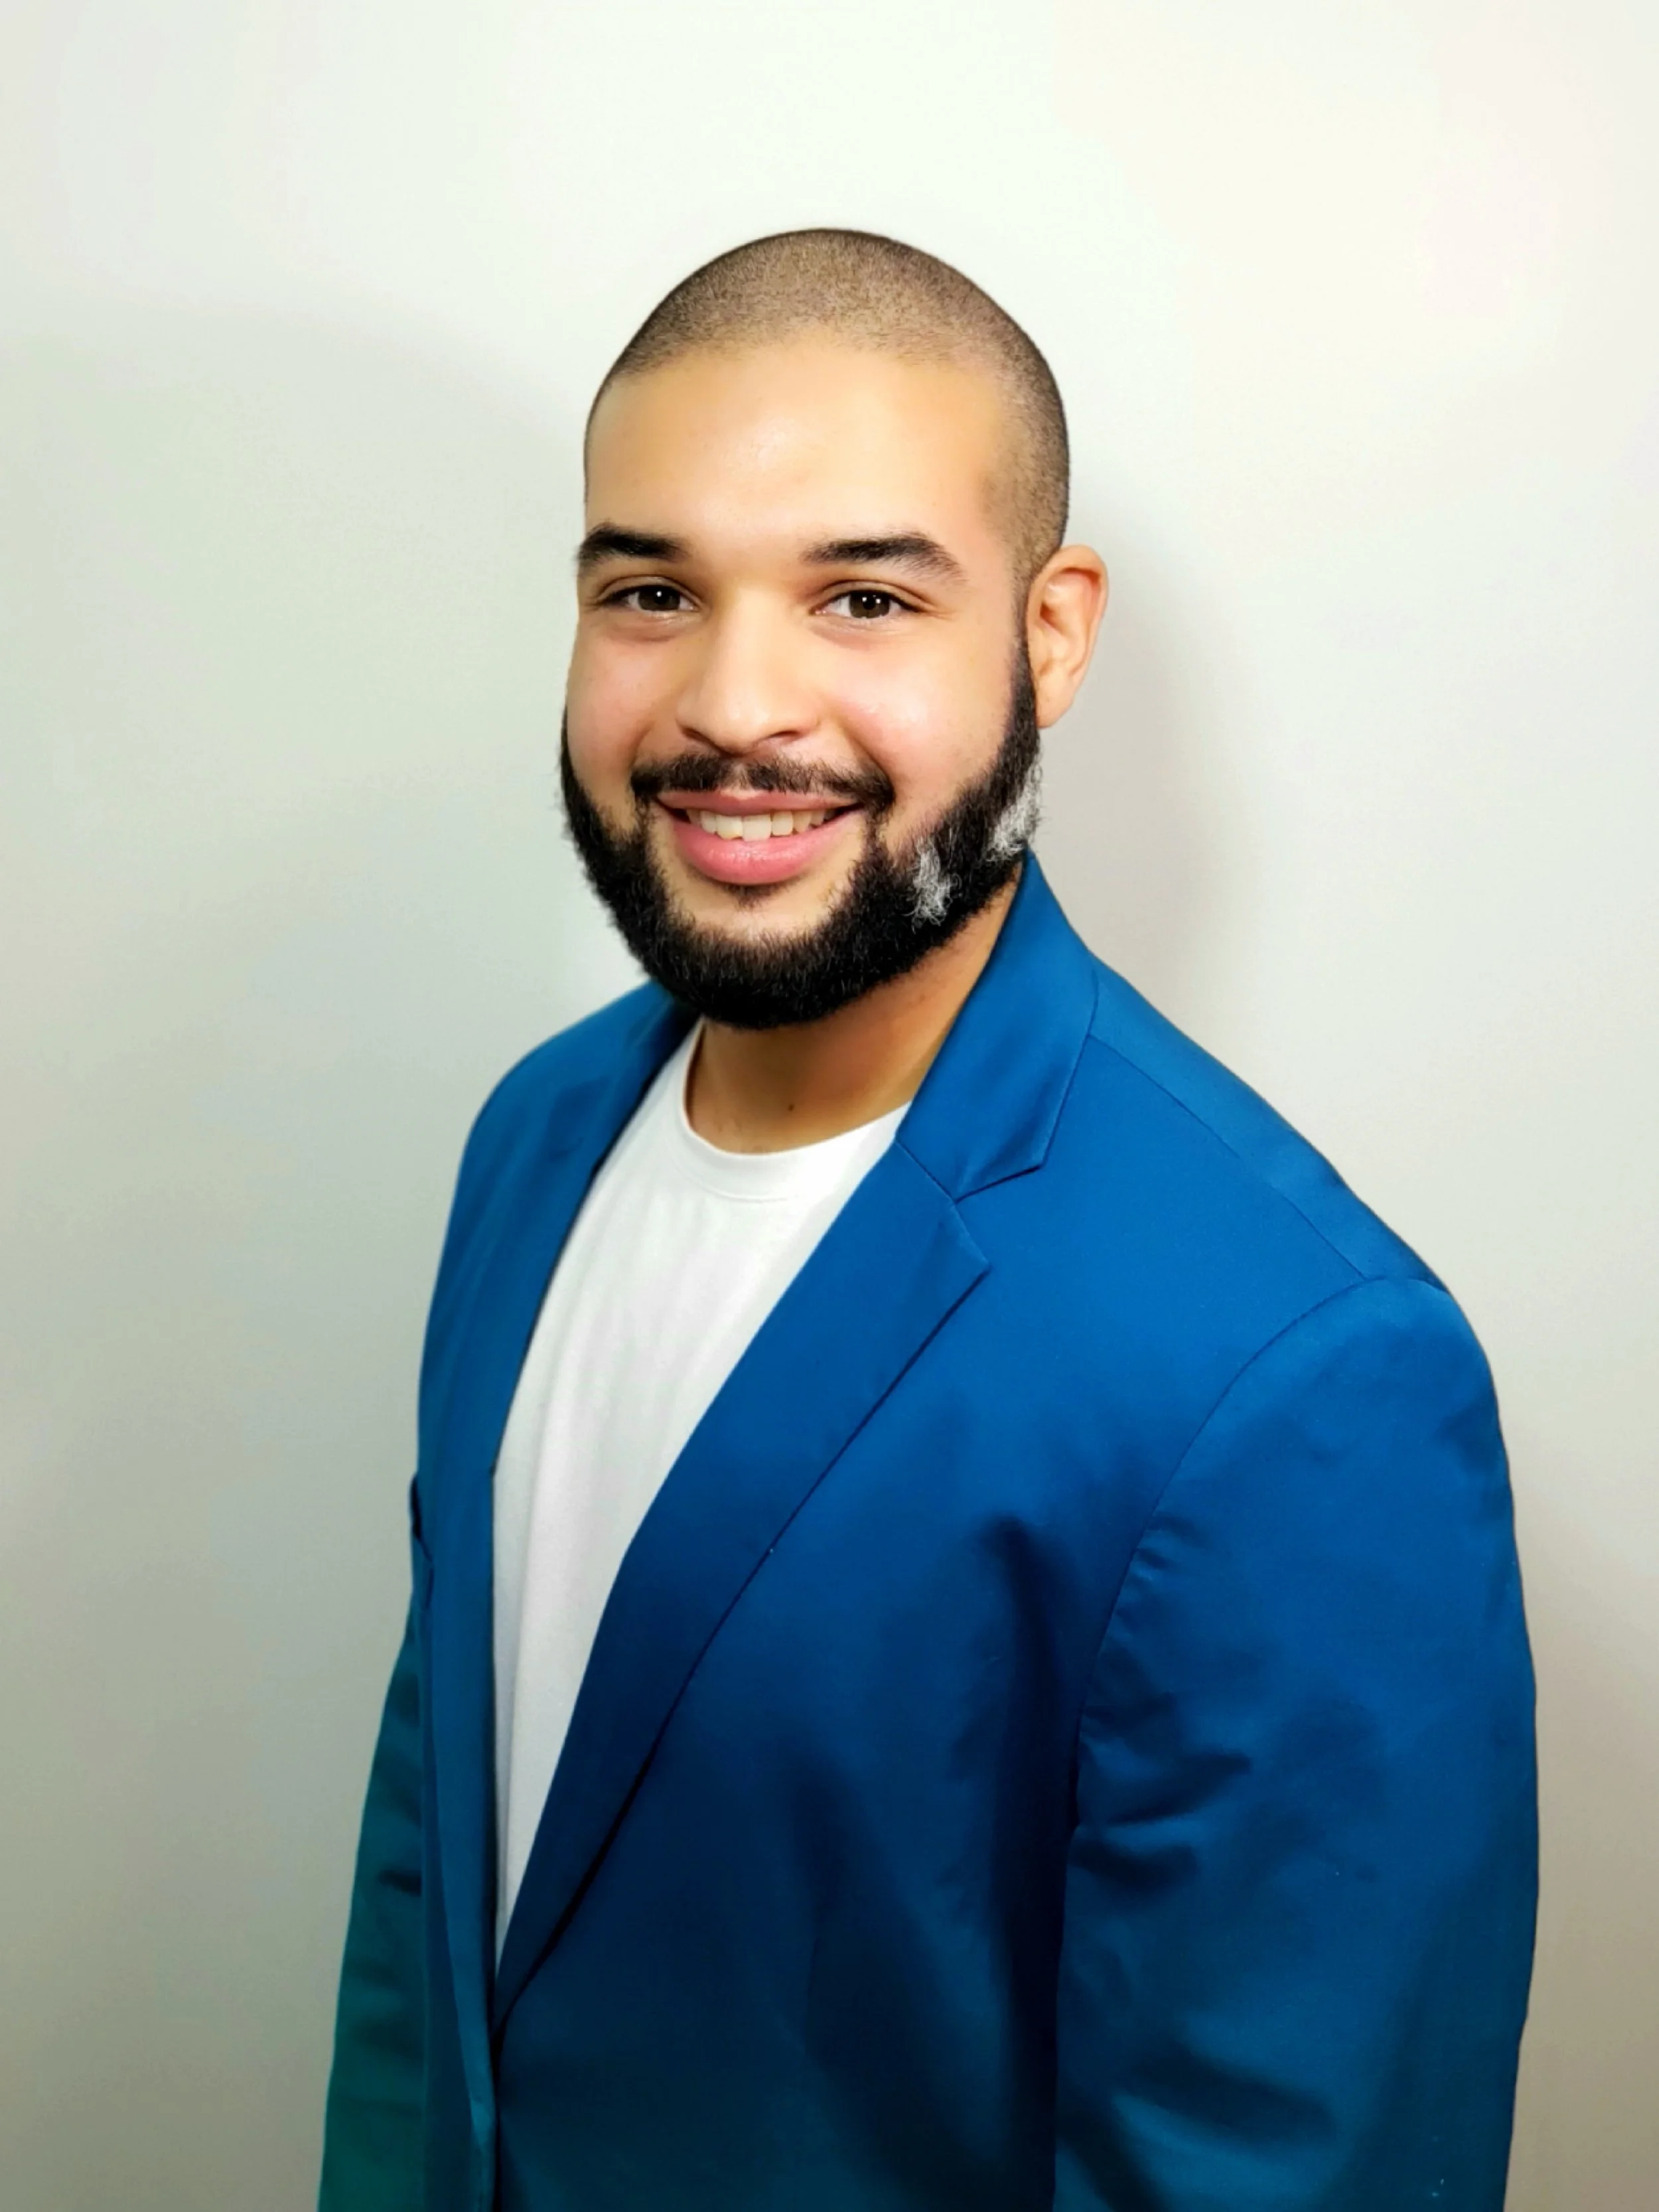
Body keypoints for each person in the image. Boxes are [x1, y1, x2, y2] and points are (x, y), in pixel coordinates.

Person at [318, 229, 1537, 2212]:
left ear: (1048, 638)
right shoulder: (534, 1139)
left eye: (864, 596)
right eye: (650, 591)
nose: (735, 706)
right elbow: (433, 1864)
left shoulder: (1301, 1371)